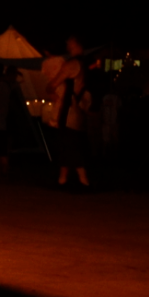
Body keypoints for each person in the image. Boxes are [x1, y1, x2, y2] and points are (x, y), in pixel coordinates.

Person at [46, 36, 91, 187]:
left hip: (68, 111)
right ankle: (64, 179)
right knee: (69, 145)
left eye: (69, 42)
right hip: (79, 111)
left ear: (76, 44)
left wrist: (51, 90)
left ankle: (82, 180)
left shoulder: (72, 64)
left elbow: (53, 84)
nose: (67, 45)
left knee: (69, 145)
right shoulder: (86, 64)